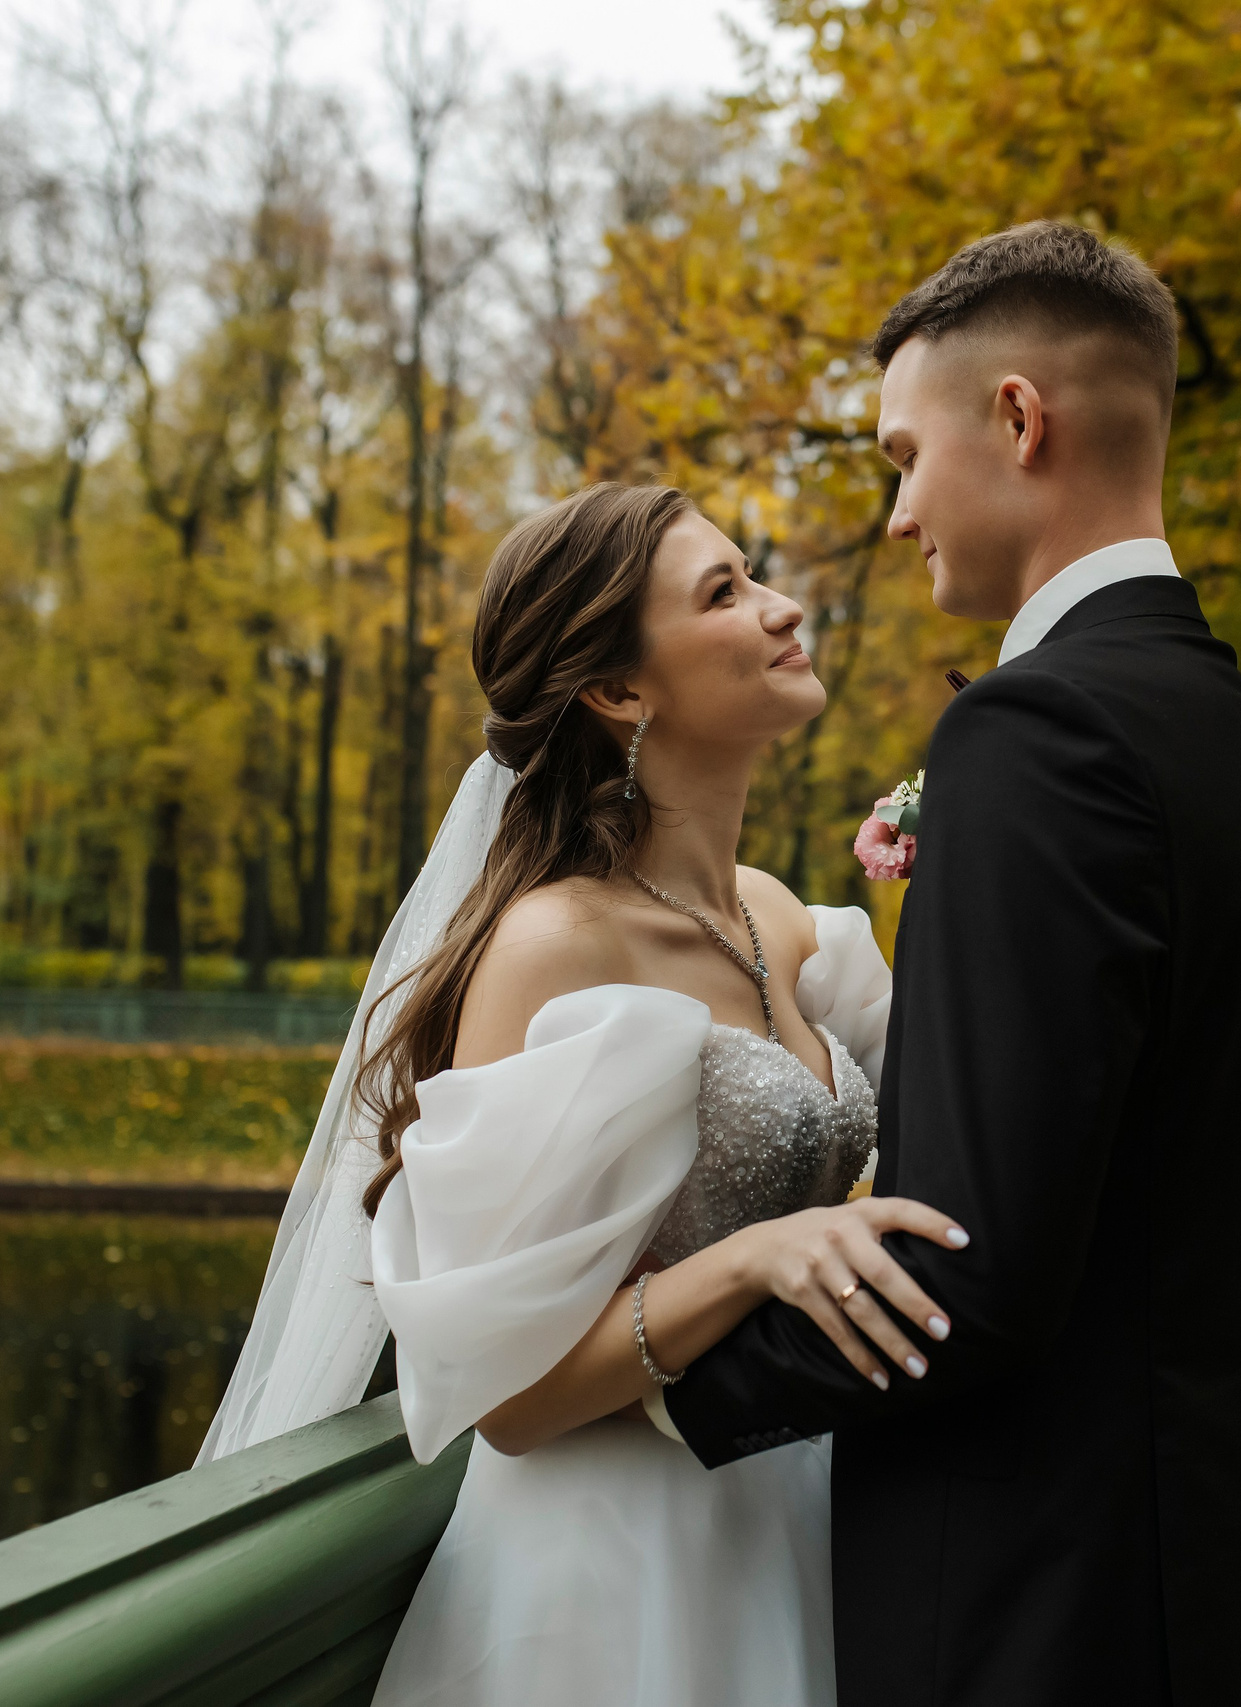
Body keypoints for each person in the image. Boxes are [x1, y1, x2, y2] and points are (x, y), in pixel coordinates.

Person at [651, 221, 1241, 1706]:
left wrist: (654, 1374)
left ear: (1020, 419)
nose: (898, 516)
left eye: (904, 455)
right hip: (1207, 1574)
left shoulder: (1038, 735)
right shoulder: (1228, 727)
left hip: (1043, 1606)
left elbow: (972, 1272)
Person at [198, 481, 967, 1707]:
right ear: (619, 691)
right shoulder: (552, 945)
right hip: (613, 1578)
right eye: (725, 594)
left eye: (755, 574)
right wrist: (754, 1260)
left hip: (790, 1523)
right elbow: (506, 1399)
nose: (781, 610)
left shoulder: (781, 920)